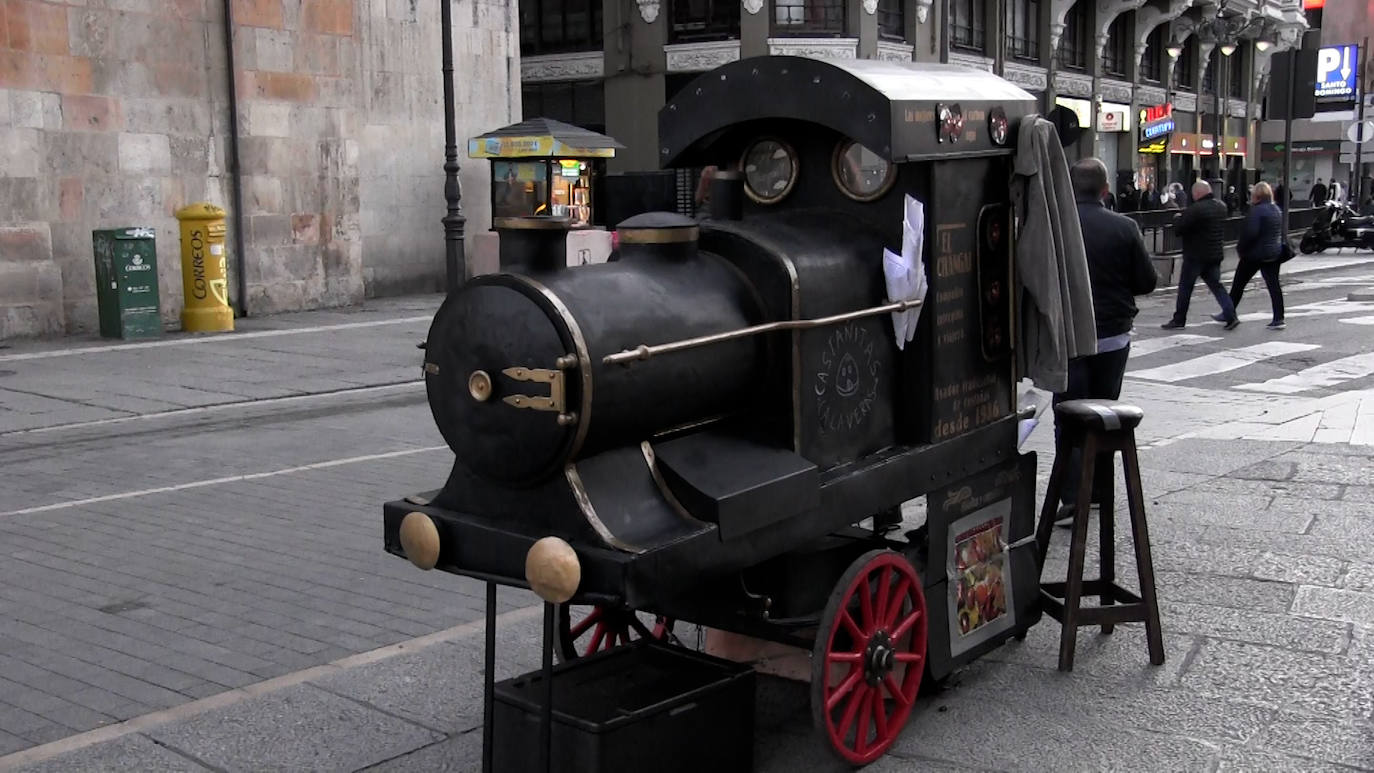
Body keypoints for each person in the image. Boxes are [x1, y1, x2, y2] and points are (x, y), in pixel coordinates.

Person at [1053, 158, 1159, 526]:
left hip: (1069, 337)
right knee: (1103, 413)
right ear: (1105, 191)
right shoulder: (1124, 227)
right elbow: (1146, 282)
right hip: (1112, 336)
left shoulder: (1058, 229)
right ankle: (1097, 490)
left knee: (1068, 416)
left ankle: (1071, 497)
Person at [1163, 180, 1238, 330]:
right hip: (1214, 253)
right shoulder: (1221, 207)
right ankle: (1231, 315)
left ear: (1197, 193)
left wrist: (1177, 218)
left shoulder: (1196, 209)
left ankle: (1179, 319)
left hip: (1195, 255)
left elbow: (1180, 229)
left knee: (1185, 288)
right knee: (1217, 286)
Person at [1219, 181, 1286, 331]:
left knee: (1238, 284)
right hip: (1273, 253)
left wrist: (1241, 249)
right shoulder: (1275, 209)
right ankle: (1279, 318)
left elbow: (1250, 233)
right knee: (1274, 286)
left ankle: (1228, 313)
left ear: (1257, 196)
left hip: (1255, 254)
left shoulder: (1257, 211)